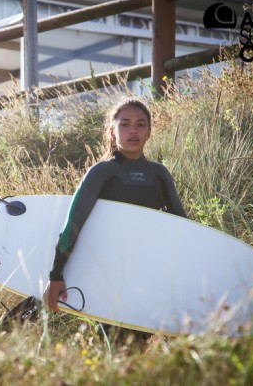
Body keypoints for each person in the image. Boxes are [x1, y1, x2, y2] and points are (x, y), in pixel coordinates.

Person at [42, 98, 187, 337]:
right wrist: (56, 275)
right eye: (125, 124)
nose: (133, 130)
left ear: (149, 131)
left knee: (139, 344)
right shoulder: (103, 172)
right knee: (116, 344)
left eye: (141, 124)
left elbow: (182, 229)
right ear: (112, 130)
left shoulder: (159, 175)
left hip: (148, 273)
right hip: (107, 275)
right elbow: (73, 224)